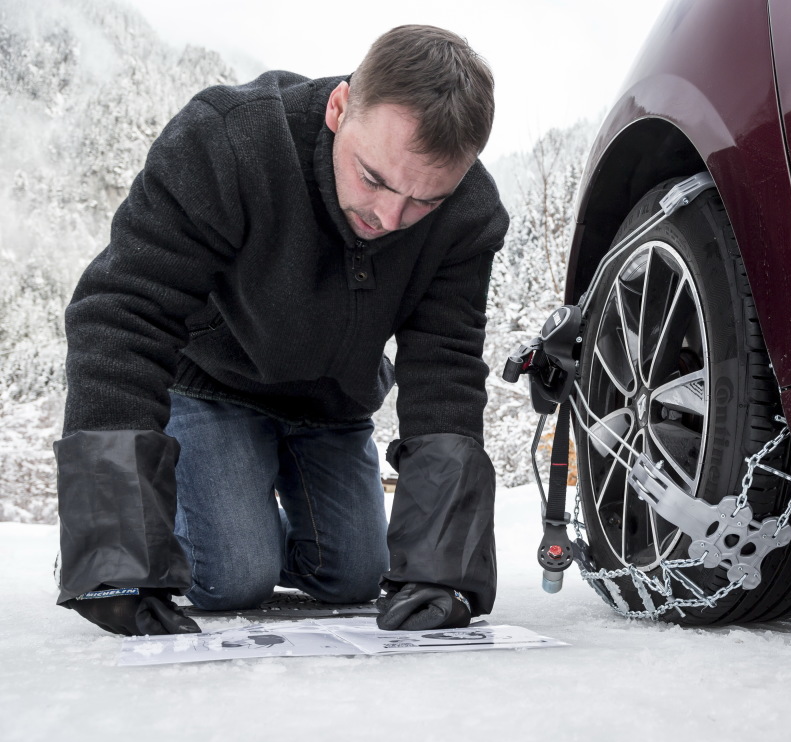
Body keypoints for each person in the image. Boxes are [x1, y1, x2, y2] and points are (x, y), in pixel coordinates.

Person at [54, 25, 508, 637]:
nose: (389, 218)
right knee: (233, 577)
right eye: (373, 178)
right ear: (340, 108)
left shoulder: (468, 213)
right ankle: (202, 522)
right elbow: (123, 308)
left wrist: (444, 570)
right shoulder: (229, 141)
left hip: (333, 406)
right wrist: (114, 548)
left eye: (424, 202)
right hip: (213, 383)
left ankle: (243, 516)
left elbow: (445, 363)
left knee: (355, 575)